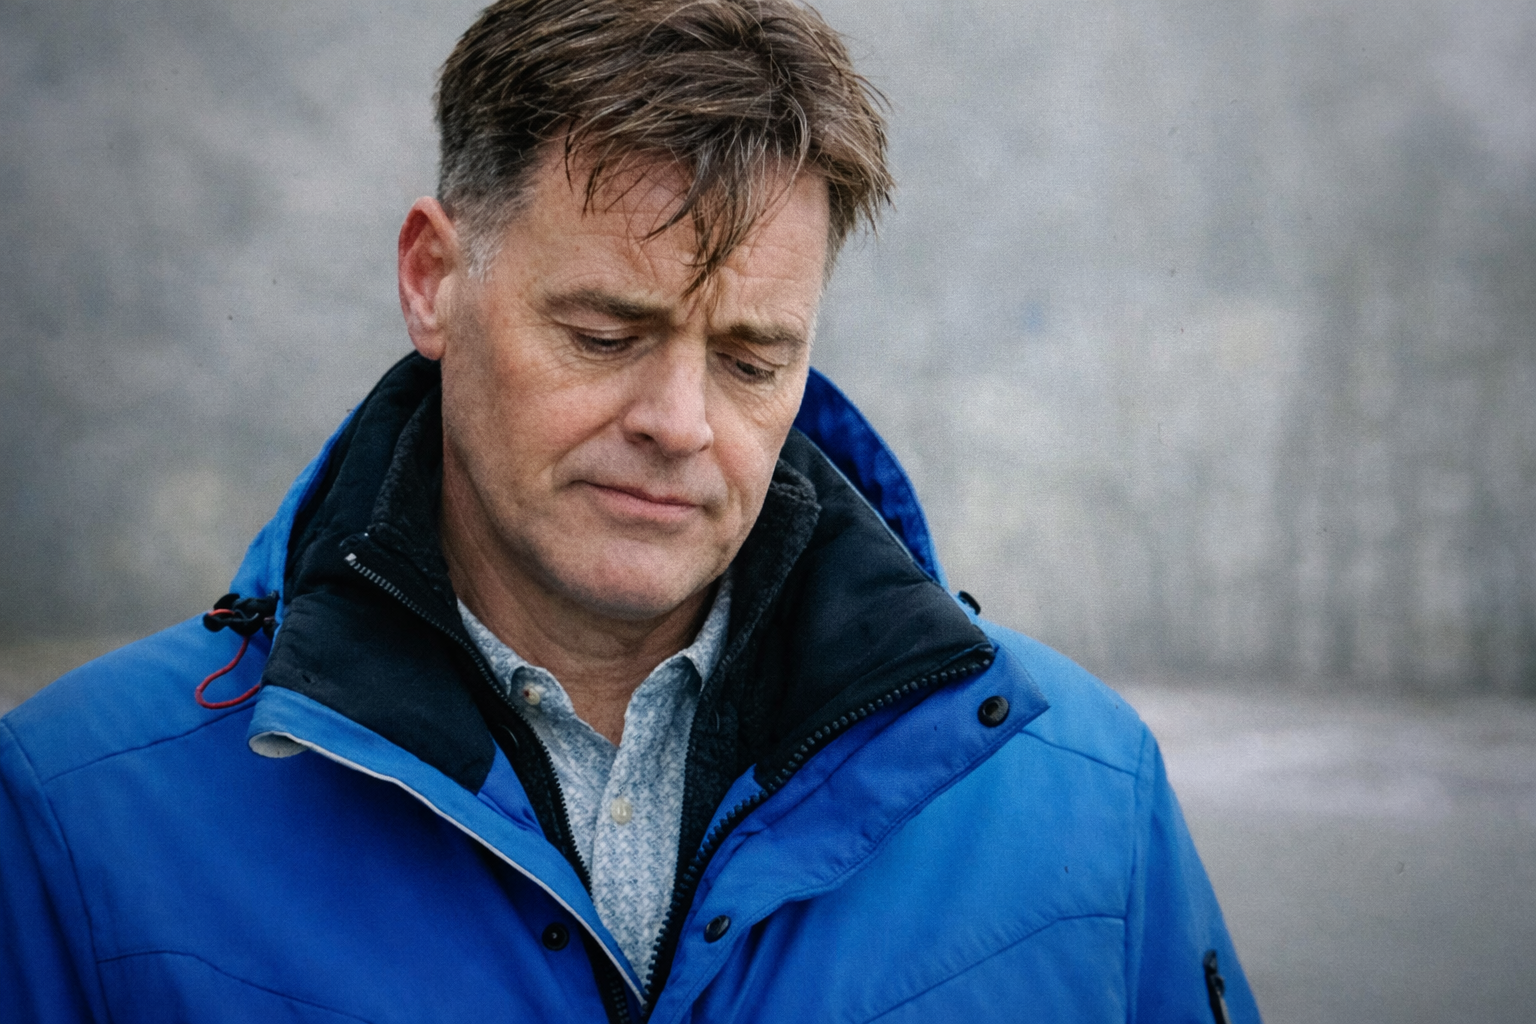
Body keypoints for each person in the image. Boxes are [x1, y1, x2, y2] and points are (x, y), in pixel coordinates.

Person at [0, 1, 1260, 1021]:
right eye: (606, 334)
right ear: (433, 278)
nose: (680, 421)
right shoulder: (77, 818)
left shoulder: (1089, 798)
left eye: (753, 360)